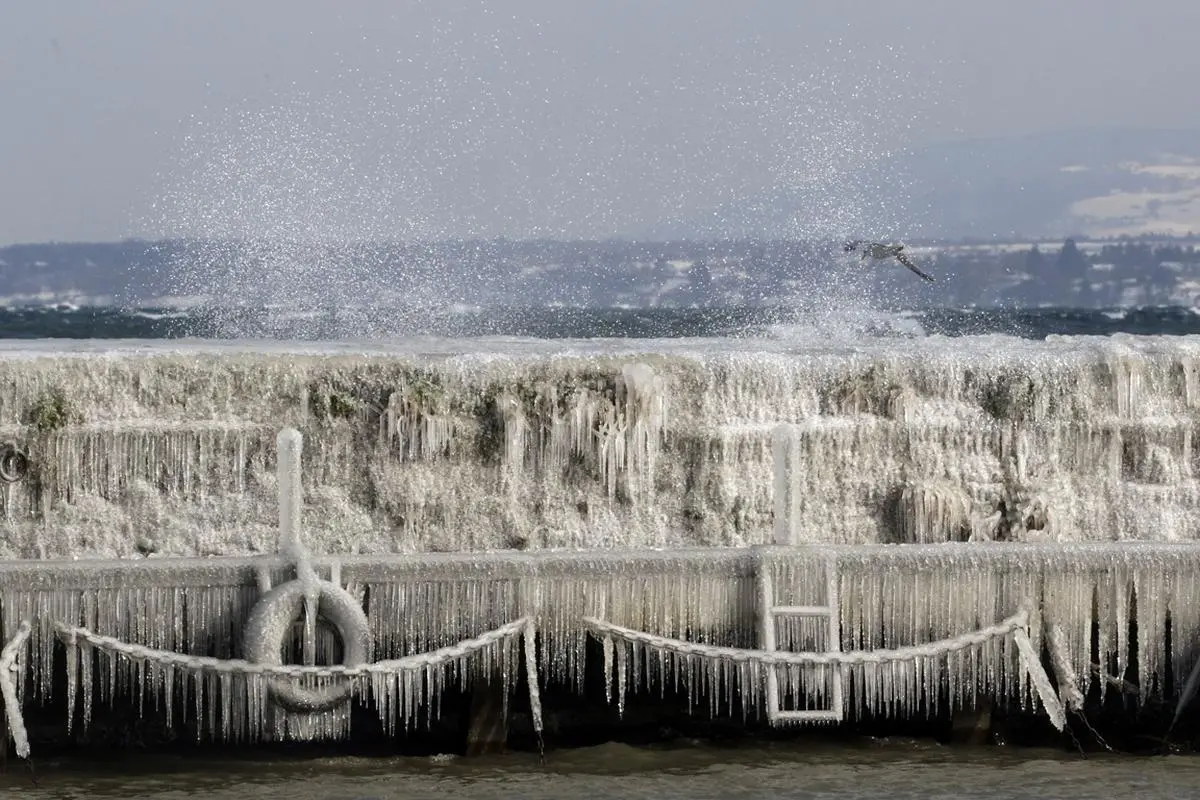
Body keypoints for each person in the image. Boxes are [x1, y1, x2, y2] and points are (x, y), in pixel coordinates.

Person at [843, 241, 935, 283]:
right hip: (886, 250)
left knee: (899, 256)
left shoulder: (872, 248)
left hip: (884, 248)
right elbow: (862, 246)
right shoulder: (872, 253)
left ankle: (924, 275)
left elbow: (863, 244)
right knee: (902, 259)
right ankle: (924, 275)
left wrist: (852, 247)